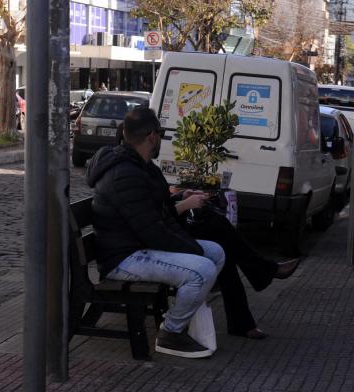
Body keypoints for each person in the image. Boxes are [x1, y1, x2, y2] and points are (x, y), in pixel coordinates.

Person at [86, 107, 225, 359]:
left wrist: (181, 200)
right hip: (124, 257)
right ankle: (170, 332)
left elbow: (159, 214)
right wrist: (192, 249)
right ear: (152, 137)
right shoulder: (125, 174)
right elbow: (152, 230)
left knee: (215, 253)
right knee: (202, 269)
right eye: (160, 134)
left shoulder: (142, 166)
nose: (160, 139)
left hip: (139, 245)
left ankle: (183, 317)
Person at [173, 193, 299, 339]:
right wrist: (184, 205)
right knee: (217, 225)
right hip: (165, 235)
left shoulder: (146, 171)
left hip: (171, 225)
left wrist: (181, 195)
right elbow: (153, 215)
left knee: (223, 245)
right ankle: (264, 272)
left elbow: (161, 201)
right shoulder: (141, 174)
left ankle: (242, 323)